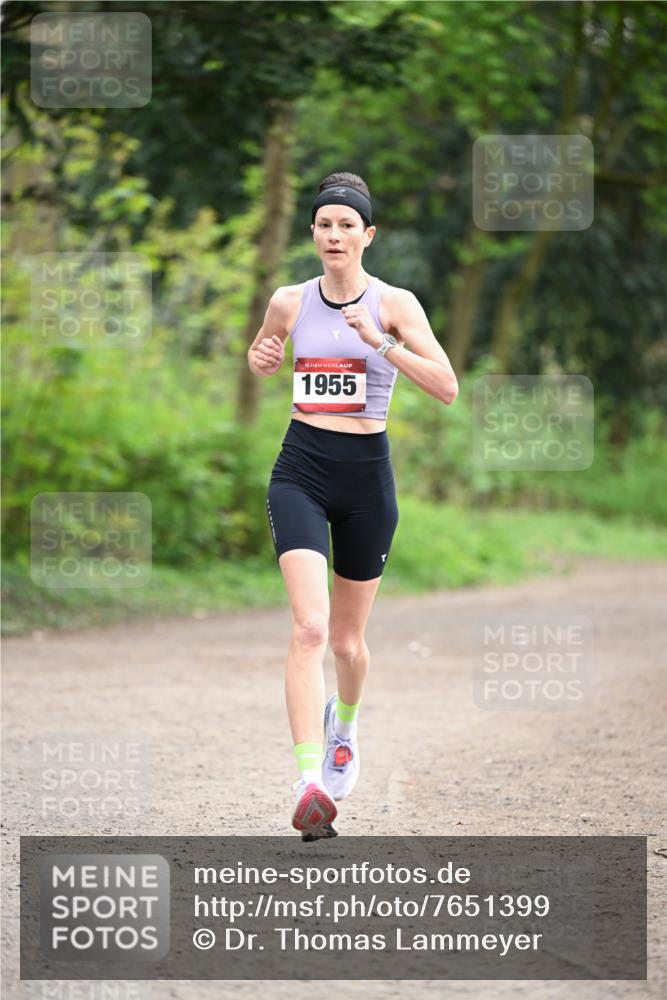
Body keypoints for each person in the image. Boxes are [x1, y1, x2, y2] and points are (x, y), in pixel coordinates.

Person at [247, 172, 458, 839]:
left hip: (367, 482)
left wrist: (382, 344)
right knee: (308, 629)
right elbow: (265, 356)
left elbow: (447, 386)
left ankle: (346, 723)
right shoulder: (288, 300)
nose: (333, 235)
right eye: (323, 224)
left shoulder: (395, 304)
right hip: (300, 470)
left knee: (346, 643)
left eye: (346, 225)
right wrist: (261, 357)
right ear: (311, 233)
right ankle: (310, 780)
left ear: (367, 236)